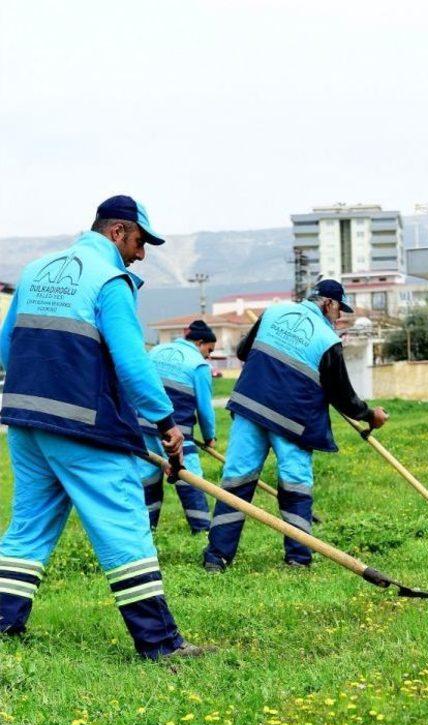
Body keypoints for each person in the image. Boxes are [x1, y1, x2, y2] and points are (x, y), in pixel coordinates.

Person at [0, 195, 208, 660]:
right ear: (117, 232)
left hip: (25, 421)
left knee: (28, 528)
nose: (141, 253)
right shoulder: (110, 280)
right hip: (82, 425)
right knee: (125, 525)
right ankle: (160, 644)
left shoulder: (35, 271)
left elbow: (5, 347)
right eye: (139, 242)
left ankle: (3, 623)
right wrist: (165, 422)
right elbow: (133, 363)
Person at [203, 279, 388, 572]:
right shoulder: (328, 341)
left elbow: (242, 352)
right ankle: (298, 559)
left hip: (250, 407)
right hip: (292, 421)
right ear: (328, 303)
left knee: (236, 480)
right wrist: (370, 416)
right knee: (295, 484)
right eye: (339, 310)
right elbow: (345, 398)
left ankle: (216, 557)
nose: (338, 318)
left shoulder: (273, 312)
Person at [136, 320, 217, 533]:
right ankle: (202, 529)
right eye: (209, 350)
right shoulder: (199, 365)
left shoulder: (155, 351)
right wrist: (210, 437)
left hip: (143, 425)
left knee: (147, 480)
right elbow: (205, 408)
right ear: (200, 343)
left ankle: (146, 529)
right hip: (177, 433)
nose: (209, 355)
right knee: (190, 480)